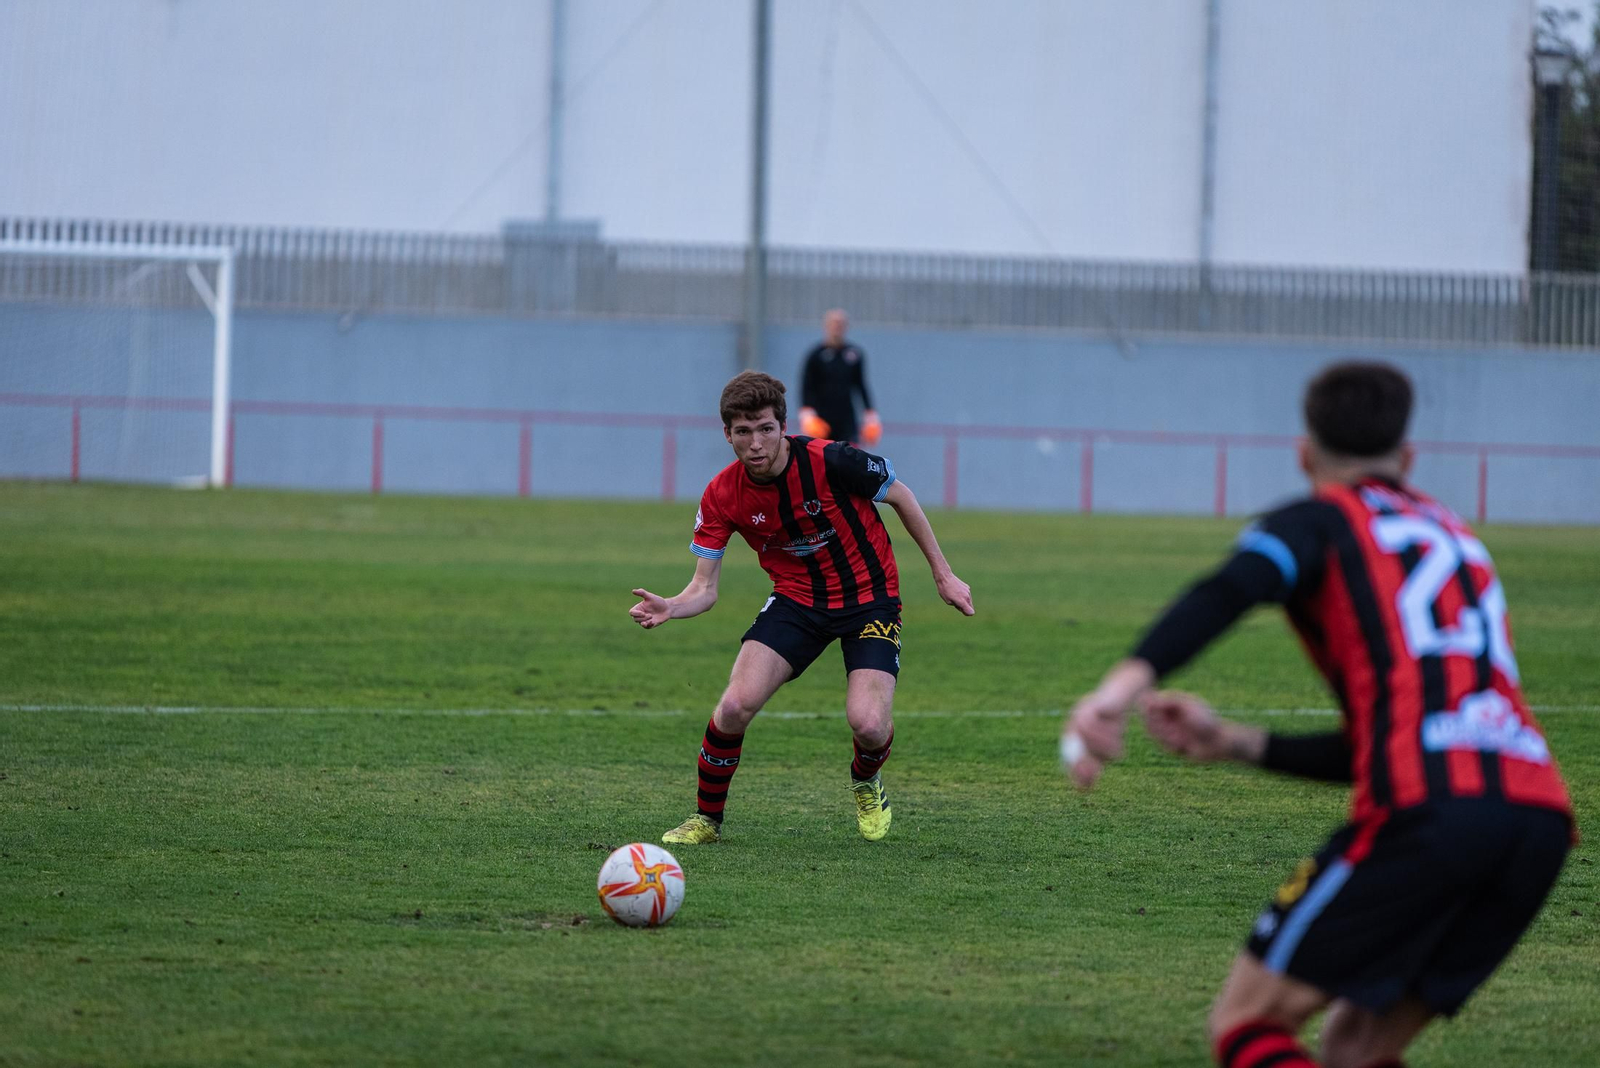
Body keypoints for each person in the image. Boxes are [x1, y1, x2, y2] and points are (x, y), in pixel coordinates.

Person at [1061, 361, 1573, 1068]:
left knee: (1246, 1022)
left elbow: (1231, 588)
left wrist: (1114, 692)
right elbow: (1405, 735)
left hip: (1433, 814)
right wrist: (1238, 742)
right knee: (1354, 1047)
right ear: (1408, 458)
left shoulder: (1322, 519)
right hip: (1538, 819)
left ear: (1305, 455)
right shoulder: (1459, 537)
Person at [630, 370, 973, 845]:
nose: (756, 443)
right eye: (743, 431)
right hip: (797, 601)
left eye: (765, 428)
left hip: (869, 599)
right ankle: (706, 821)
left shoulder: (831, 460)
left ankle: (866, 780)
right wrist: (671, 605)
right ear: (726, 434)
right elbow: (704, 589)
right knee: (733, 706)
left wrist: (943, 573)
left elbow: (900, 494)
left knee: (869, 724)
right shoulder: (722, 495)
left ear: (782, 426)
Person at [799, 308, 881, 447]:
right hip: (822, 420)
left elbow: (861, 385)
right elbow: (807, 386)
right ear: (826, 326)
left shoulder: (854, 354)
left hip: (847, 420)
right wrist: (808, 416)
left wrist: (871, 417)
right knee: (822, 460)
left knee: (850, 459)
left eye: (841, 323)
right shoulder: (816, 355)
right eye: (834, 323)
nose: (837, 327)